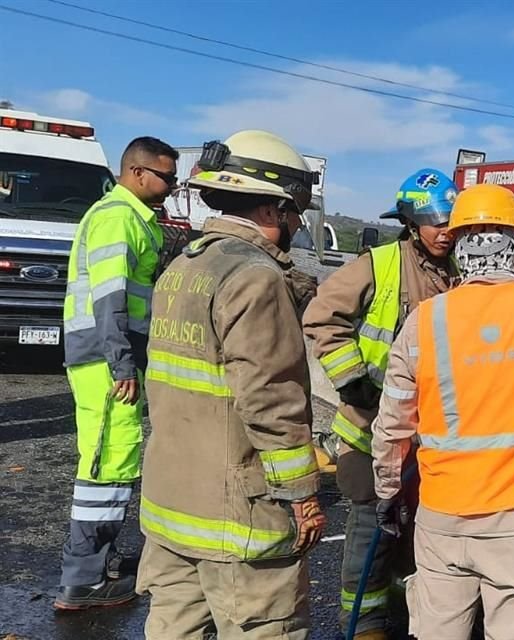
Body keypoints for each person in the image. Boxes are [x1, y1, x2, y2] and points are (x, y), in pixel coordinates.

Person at [371, 143, 514, 640]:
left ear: (457, 246)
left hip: (444, 515)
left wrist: (388, 494)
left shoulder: (424, 322)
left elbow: (392, 426)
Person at [135, 130, 325, 638]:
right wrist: (302, 495)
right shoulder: (255, 277)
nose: (297, 223)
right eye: (293, 211)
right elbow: (269, 398)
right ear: (270, 211)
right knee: (265, 626)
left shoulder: (183, 267)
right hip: (237, 516)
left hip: (172, 503)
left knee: (173, 629)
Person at [303, 169, 459, 639]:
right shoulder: (380, 264)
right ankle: (366, 622)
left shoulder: (463, 273)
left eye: (451, 219)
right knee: (371, 529)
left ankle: (403, 610)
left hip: (433, 440)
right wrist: (354, 383)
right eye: (434, 221)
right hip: (372, 433)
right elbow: (321, 317)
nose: (444, 230)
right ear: (411, 223)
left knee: (416, 536)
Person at [55, 137, 178, 610]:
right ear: (137, 172)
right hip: (107, 359)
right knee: (108, 459)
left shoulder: (128, 218)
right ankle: (83, 580)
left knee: (112, 456)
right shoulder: (117, 218)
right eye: (165, 177)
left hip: (108, 356)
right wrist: (122, 361)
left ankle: (94, 564)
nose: (170, 186)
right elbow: (110, 299)